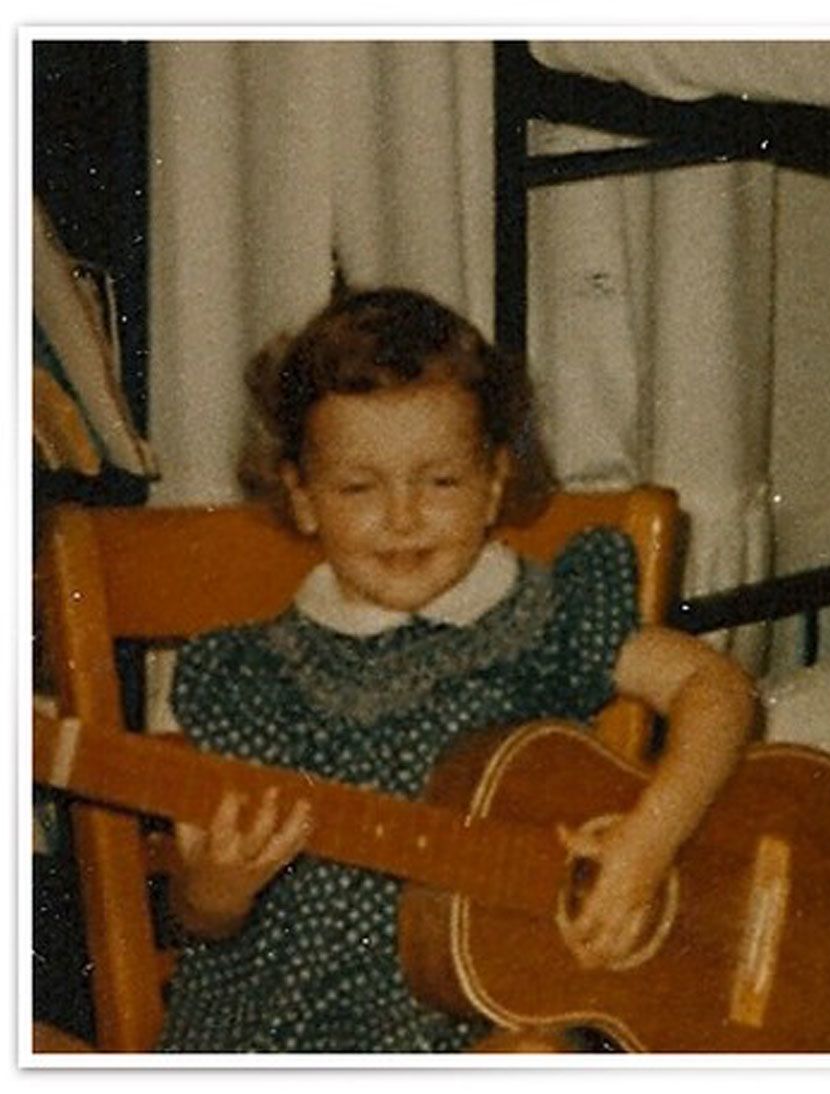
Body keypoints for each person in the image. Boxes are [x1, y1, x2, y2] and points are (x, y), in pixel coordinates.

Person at [157, 287, 756, 1053]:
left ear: (494, 483)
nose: (404, 517)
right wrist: (217, 891)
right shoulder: (250, 677)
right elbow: (199, 916)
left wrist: (650, 841)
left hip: (482, 1015)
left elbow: (719, 690)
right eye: (358, 488)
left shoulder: (540, 617)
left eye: (440, 482)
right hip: (278, 1035)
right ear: (302, 498)